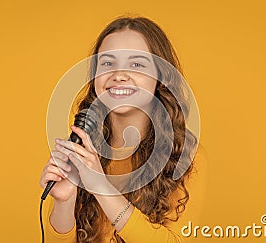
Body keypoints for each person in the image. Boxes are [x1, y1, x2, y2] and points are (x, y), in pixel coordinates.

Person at [40, 16, 206, 243]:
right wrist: (64, 202)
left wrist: (99, 185)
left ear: (160, 77)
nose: (118, 75)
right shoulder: (81, 149)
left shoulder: (186, 156)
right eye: (107, 63)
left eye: (136, 64)